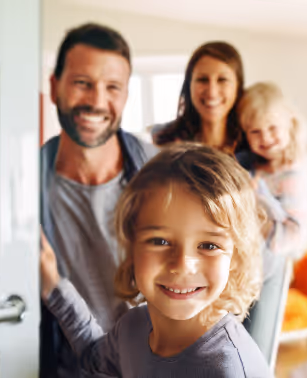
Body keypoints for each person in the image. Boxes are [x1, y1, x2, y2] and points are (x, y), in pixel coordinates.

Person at [40, 143, 272, 378]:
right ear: (132, 247)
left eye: (209, 246)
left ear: (235, 256)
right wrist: (53, 287)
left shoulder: (229, 369)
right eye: (160, 241)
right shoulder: (132, 329)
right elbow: (94, 358)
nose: (182, 264)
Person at [40, 23, 158, 377]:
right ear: (54, 87)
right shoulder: (22, 185)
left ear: (125, 97)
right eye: (82, 83)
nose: (96, 101)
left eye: (112, 88)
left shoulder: (162, 171)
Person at [236, 82, 307, 262]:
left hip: (279, 259)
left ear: (289, 124)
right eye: (255, 131)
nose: (266, 138)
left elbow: (291, 238)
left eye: (273, 128)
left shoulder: (293, 170)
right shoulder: (254, 164)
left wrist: (252, 201)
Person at [151, 41, 246, 155]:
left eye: (222, 80)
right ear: (188, 85)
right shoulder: (160, 142)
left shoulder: (255, 147)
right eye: (202, 79)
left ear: (238, 86)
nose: (212, 92)